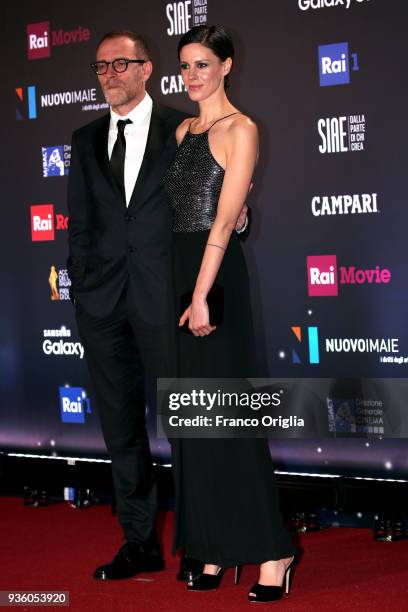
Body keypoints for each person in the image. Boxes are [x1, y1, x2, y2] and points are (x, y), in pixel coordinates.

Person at [67, 29, 247, 582]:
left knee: (188, 424)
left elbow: (216, 201)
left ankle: (199, 541)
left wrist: (240, 220)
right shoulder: (84, 138)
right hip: (103, 306)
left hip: (167, 299)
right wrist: (81, 287)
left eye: (123, 64)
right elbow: (81, 224)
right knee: (121, 430)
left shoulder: (184, 126)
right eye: (102, 67)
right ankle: (139, 541)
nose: (111, 74)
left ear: (146, 70)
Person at [165, 25, 296, 603]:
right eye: (185, 66)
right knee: (196, 424)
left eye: (202, 65)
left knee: (230, 421)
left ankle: (274, 550)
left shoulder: (241, 128)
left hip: (212, 279)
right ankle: (215, 546)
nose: (191, 77)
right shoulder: (183, 129)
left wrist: (199, 295)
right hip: (178, 272)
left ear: (227, 65)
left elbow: (222, 222)